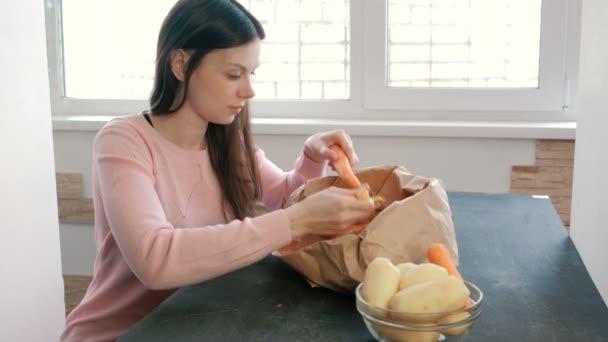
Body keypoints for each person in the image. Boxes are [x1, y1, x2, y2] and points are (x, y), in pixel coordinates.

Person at [60, 0, 375, 340]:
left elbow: (285, 200)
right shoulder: (123, 141)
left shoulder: (227, 144)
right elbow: (155, 260)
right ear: (181, 64)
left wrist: (311, 159)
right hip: (120, 334)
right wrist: (300, 220)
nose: (249, 90)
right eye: (233, 74)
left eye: (251, 74)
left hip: (196, 327)